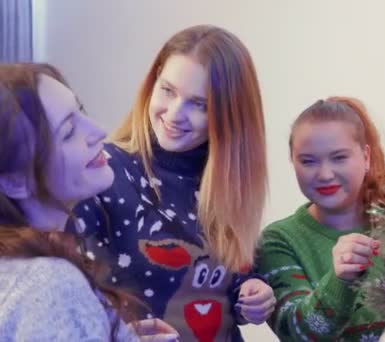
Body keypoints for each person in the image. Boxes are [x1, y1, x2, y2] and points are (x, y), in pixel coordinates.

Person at [71, 25, 275, 341]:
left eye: (200, 104)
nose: (175, 114)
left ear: (231, 116)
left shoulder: (227, 183)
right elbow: (69, 301)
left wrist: (253, 293)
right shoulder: (104, 172)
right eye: (168, 90)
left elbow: (230, 281)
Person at [0, 63, 179, 341]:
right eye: (69, 131)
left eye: (80, 111)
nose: (98, 130)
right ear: (14, 180)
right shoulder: (51, 288)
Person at [257, 97, 385, 341]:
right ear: (293, 162)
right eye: (308, 161)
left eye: (339, 157)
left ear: (365, 157)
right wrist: (340, 280)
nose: (324, 174)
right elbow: (295, 332)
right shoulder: (278, 240)